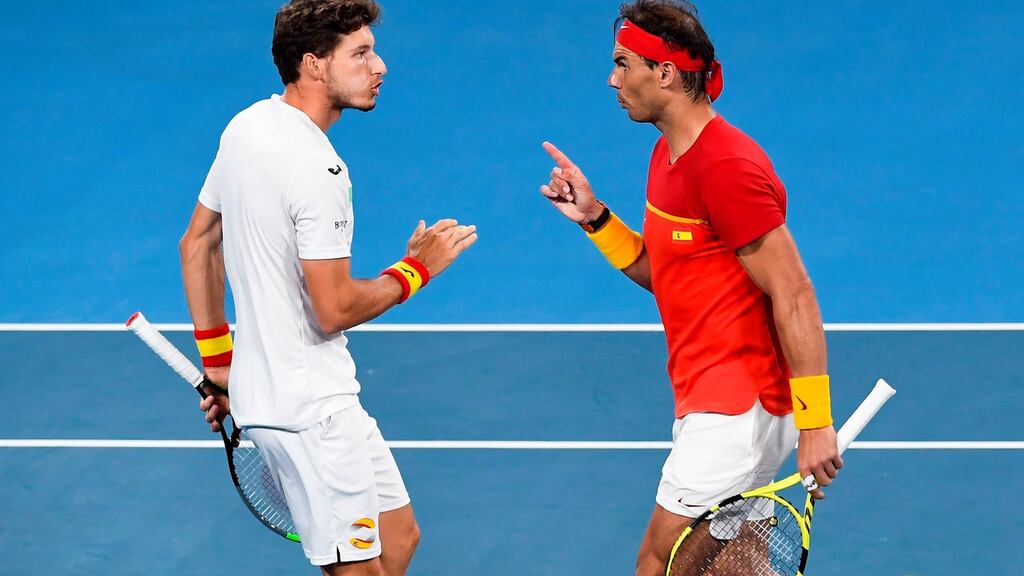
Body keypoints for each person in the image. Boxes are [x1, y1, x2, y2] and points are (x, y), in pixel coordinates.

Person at [537, 1, 841, 573]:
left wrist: (815, 422)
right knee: (725, 562)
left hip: (735, 409)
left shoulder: (727, 167)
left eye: (624, 64)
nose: (612, 78)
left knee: (660, 561)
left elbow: (794, 293)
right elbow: (670, 276)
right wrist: (596, 218)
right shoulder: (668, 154)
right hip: (710, 394)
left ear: (667, 74)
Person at [179, 1, 477, 574]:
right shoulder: (320, 170)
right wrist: (416, 270)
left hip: (308, 395)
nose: (380, 65)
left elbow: (196, 244)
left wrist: (221, 366)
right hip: (311, 412)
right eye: (360, 53)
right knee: (359, 569)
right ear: (314, 66)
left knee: (399, 538)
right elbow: (333, 307)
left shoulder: (246, 126)